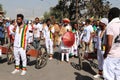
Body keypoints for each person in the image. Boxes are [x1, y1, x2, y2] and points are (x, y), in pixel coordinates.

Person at [103, 7, 120, 80]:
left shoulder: (110, 25)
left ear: (111, 15)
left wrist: (105, 54)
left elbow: (109, 44)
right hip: (119, 55)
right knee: (118, 76)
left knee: (109, 77)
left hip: (111, 55)